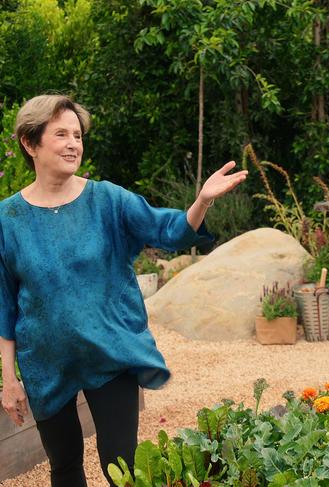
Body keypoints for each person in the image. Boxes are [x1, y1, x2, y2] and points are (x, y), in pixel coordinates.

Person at [0, 94, 248, 486]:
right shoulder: (7, 218)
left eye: (77, 136)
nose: (73, 144)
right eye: (61, 134)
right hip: (47, 364)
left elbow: (169, 230)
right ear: (30, 144)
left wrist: (201, 200)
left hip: (110, 353)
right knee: (64, 467)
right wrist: (9, 378)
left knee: (124, 468)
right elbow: (5, 303)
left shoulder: (107, 200)